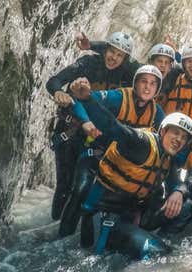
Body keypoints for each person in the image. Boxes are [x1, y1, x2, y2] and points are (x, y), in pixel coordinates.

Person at [75, 102, 192, 258]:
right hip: (107, 218)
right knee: (157, 253)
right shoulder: (141, 143)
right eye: (175, 133)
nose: (179, 140)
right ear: (163, 131)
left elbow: (180, 183)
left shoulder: (167, 158)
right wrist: (87, 98)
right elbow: (113, 126)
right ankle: (148, 246)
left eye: (184, 137)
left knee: (188, 206)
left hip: (132, 215)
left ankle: (159, 239)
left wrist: (178, 191)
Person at [57, 65, 166, 237]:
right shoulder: (118, 97)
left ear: (157, 89)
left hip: (124, 165)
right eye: (143, 82)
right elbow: (83, 100)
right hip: (97, 154)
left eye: (153, 84)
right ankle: (63, 236)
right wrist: (86, 121)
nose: (147, 87)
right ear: (135, 84)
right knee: (80, 190)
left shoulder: (157, 113)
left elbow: (163, 144)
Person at [45, 31, 139, 219]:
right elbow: (54, 81)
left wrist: (92, 44)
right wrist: (58, 93)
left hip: (98, 137)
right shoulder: (88, 64)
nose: (114, 58)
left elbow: (147, 70)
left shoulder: (128, 74)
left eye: (120, 55)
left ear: (125, 59)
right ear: (105, 50)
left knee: (85, 186)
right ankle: (56, 226)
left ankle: (77, 228)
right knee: (65, 185)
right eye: (111, 51)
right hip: (71, 132)